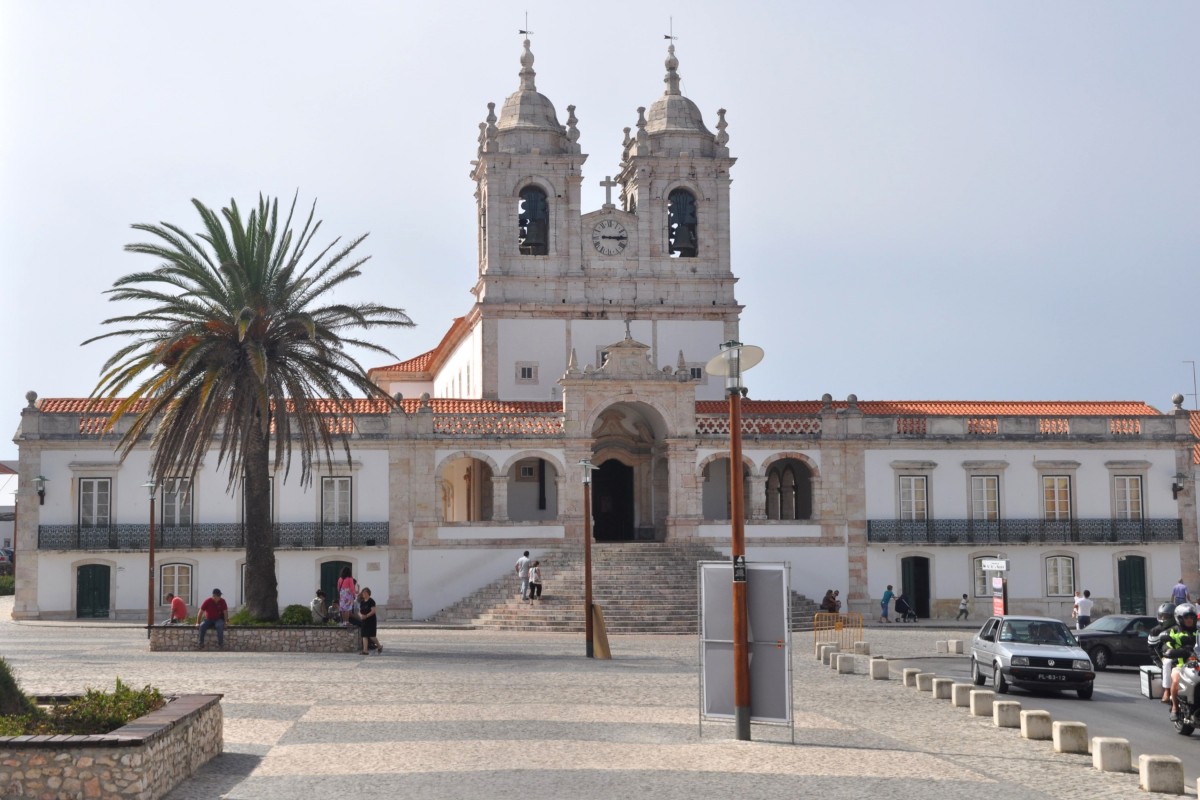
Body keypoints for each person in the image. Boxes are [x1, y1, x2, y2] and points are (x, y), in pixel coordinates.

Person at [1165, 603, 1198, 721]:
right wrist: (1172, 651)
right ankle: (1175, 707)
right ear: (1179, 619)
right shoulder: (1173, 631)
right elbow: (1167, 646)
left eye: (1191, 618)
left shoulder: (1198, 631)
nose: (1189, 620)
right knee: (1176, 679)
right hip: (1180, 665)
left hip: (1197, 664)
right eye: (1186, 618)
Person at [1148, 602, 1176, 703]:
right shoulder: (1156, 631)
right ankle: (1167, 690)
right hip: (1166, 656)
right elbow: (1152, 649)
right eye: (1162, 616)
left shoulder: (1181, 627)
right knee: (1167, 663)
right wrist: (1159, 661)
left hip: (1183, 654)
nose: (1163, 618)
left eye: (1166, 616)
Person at [358, 587, 381, 654]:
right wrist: (361, 616)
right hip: (364, 620)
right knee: (364, 635)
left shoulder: (371, 601)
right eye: (363, 593)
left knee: (371, 636)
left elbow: (373, 611)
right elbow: (359, 611)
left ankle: (379, 646)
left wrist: (366, 616)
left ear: (368, 593)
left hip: (371, 620)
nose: (364, 594)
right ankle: (365, 650)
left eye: (365, 593)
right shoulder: (362, 602)